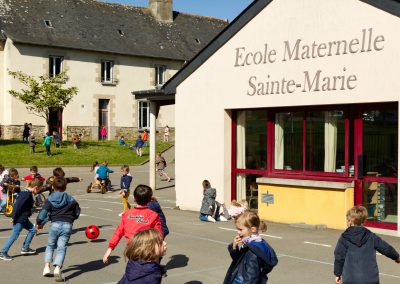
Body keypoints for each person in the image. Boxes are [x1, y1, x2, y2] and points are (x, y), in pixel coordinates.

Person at [334, 206, 400, 284]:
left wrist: (338, 274)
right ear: (364, 220)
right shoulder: (371, 236)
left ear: (350, 221)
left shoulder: (344, 237)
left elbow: (339, 257)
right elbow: (386, 248)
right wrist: (396, 257)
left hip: (351, 278)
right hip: (370, 278)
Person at [103, 184, 163, 264]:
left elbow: (118, 232)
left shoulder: (127, 214)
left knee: (133, 272)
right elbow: (159, 235)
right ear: (149, 201)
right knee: (148, 273)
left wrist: (110, 249)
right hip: (147, 252)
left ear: (134, 199)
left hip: (132, 251)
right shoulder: (153, 215)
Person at [36, 177, 81, 281]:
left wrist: (39, 222)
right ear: (65, 187)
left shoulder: (50, 199)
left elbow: (43, 213)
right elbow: (77, 210)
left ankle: (47, 267)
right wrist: (73, 217)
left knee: (50, 245)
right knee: (62, 247)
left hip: (55, 224)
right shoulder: (70, 198)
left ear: (53, 186)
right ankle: (57, 267)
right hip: (67, 225)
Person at [223, 211, 278, 284]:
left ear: (253, 229)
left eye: (240, 229)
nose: (238, 232)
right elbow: (238, 260)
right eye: (237, 229)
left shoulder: (252, 251)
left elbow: (251, 277)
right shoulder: (254, 243)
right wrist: (234, 247)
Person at [0, 177, 42, 261]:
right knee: (14, 235)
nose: (38, 192)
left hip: (24, 218)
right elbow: (17, 206)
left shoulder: (27, 193)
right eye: (38, 190)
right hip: (20, 219)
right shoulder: (26, 194)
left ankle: (25, 248)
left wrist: (29, 211)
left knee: (33, 230)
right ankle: (3, 252)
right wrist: (13, 216)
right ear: (36, 187)